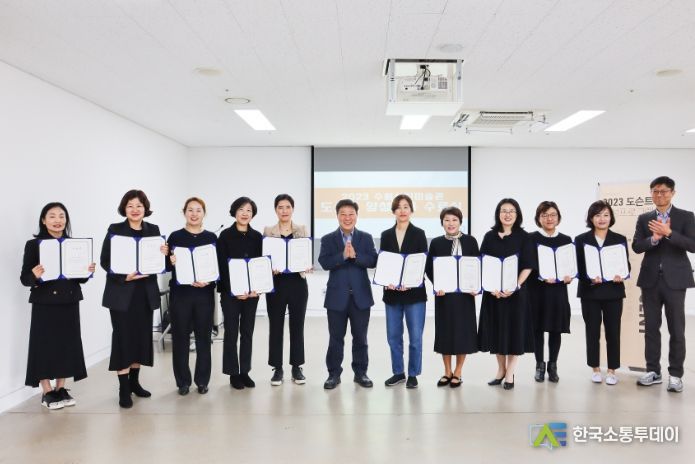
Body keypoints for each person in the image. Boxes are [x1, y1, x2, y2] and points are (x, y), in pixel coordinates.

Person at [20, 202, 96, 410]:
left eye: (61, 216)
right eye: (52, 216)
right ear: (43, 221)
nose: (57, 220)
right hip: (45, 302)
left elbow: (79, 278)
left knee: (67, 345)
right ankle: (47, 391)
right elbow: (25, 278)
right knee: (43, 346)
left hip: (69, 301)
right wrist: (34, 275)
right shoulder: (34, 245)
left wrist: (87, 271)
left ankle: (61, 388)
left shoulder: (74, 245)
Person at [101, 190, 168, 408]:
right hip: (121, 293)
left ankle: (134, 383)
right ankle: (123, 389)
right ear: (124, 208)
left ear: (145, 208)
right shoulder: (115, 230)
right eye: (130, 205)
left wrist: (164, 254)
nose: (135, 209)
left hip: (144, 294)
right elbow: (105, 261)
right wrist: (124, 277)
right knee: (123, 339)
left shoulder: (153, 231)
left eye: (139, 205)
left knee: (140, 338)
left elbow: (162, 263)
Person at [633, 176, 695, 393]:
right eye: (655, 191)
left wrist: (669, 234)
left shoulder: (686, 216)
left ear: (672, 193)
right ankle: (653, 371)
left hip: (675, 281)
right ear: (651, 193)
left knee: (677, 329)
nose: (659, 195)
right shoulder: (644, 219)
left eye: (664, 191)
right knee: (651, 328)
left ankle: (676, 375)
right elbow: (636, 246)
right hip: (650, 280)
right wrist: (654, 239)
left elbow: (693, 245)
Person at [318, 199, 378, 389]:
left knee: (360, 338)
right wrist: (343, 256)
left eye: (351, 214)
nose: (347, 217)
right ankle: (333, 375)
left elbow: (373, 260)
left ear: (356, 216)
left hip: (361, 297)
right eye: (343, 214)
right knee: (335, 338)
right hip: (336, 298)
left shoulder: (366, 238)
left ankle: (361, 373)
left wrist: (356, 256)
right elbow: (324, 262)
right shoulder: (328, 239)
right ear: (337, 216)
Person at [478, 198, 534, 390]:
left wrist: (515, 285)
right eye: (504, 210)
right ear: (498, 214)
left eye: (511, 211)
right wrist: (490, 286)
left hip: (515, 294)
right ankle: (501, 370)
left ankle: (510, 373)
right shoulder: (489, 236)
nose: (507, 214)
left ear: (517, 215)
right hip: (493, 294)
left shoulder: (524, 237)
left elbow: (528, 266)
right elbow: (483, 263)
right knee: (496, 332)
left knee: (514, 333)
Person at [575, 200, 629, 386]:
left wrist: (621, 274)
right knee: (592, 331)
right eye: (597, 215)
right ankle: (595, 369)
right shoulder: (581, 239)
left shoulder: (619, 239)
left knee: (613, 332)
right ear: (591, 218)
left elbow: (626, 265)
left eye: (606, 215)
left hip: (613, 292)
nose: (602, 219)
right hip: (590, 292)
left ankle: (612, 370)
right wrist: (590, 278)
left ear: (611, 217)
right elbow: (578, 267)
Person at [425, 206, 479, 388]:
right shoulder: (436, 243)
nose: (450, 223)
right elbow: (429, 268)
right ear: (442, 223)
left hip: (465, 296)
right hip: (444, 295)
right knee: (445, 332)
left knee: (463, 333)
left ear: (460, 222)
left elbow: (477, 265)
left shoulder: (470, 241)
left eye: (454, 220)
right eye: (447, 220)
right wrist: (437, 284)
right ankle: (447, 371)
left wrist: (475, 286)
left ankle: (458, 371)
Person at [167, 197, 217, 396]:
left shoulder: (211, 238)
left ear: (204, 213)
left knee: (204, 338)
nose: (194, 214)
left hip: (204, 295)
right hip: (181, 295)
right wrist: (169, 260)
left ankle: (202, 381)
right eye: (190, 210)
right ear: (184, 212)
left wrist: (209, 281)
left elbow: (217, 268)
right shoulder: (175, 237)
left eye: (198, 210)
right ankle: (183, 382)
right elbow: (165, 266)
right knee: (180, 339)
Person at [380, 194, 428, 389]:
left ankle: (413, 374)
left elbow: (422, 262)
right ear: (394, 211)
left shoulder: (419, 234)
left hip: (414, 294)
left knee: (415, 337)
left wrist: (411, 282)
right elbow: (384, 263)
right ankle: (398, 372)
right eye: (398, 207)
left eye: (406, 206)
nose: (402, 210)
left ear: (411, 210)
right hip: (392, 294)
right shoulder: (386, 235)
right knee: (393, 337)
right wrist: (387, 281)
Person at [216, 197, 263, 390]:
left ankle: (245, 371)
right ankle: (233, 374)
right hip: (230, 295)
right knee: (231, 332)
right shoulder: (225, 236)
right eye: (241, 209)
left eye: (249, 210)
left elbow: (261, 266)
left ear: (253, 214)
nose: (245, 213)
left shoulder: (257, 237)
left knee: (247, 332)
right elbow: (221, 267)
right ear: (234, 212)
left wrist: (256, 289)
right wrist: (234, 290)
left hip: (251, 295)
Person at [263, 194, 310, 386]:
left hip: (298, 283)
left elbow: (306, 255)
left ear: (293, 209)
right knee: (275, 326)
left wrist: (307, 265)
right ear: (275, 210)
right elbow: (264, 258)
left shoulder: (302, 229)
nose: (284, 210)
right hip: (276, 284)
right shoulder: (268, 231)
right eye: (280, 207)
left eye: (288, 207)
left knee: (297, 326)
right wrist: (269, 267)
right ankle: (277, 368)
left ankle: (296, 367)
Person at [527, 201, 573, 383]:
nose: (549, 218)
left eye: (553, 215)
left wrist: (570, 276)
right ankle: (539, 365)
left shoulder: (566, 240)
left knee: (556, 329)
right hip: (537, 291)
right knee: (537, 329)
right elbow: (527, 265)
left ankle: (553, 366)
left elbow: (570, 266)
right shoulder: (531, 238)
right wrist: (541, 276)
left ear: (558, 218)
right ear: (538, 218)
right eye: (544, 215)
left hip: (558, 292)